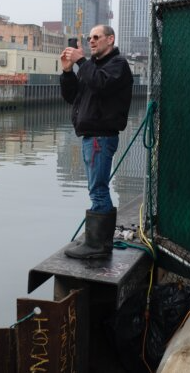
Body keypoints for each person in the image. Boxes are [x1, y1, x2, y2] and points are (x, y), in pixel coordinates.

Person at [59, 25, 133, 259]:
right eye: (89, 38)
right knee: (97, 188)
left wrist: (82, 62)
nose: (91, 41)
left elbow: (101, 83)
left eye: (96, 37)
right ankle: (98, 242)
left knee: (98, 189)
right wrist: (68, 72)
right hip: (91, 136)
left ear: (110, 40)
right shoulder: (93, 67)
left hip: (101, 136)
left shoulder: (117, 65)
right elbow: (72, 97)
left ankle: (97, 246)